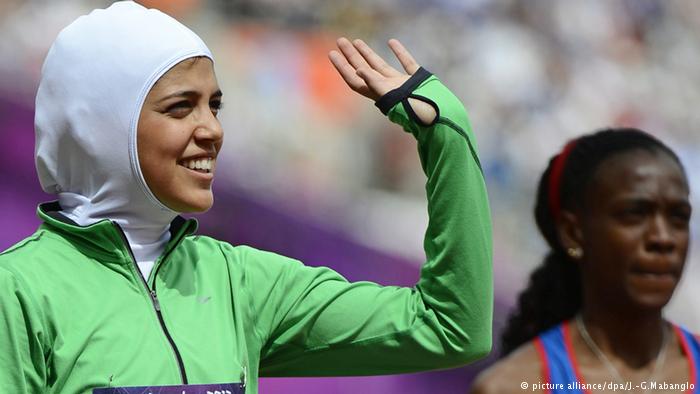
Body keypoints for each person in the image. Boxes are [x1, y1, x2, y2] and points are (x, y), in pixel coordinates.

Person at [0, 2, 493, 393]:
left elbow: (449, 328)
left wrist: (445, 135)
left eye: (214, 106)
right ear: (98, 127)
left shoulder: (242, 282)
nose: (212, 130)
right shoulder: (18, 292)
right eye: (180, 108)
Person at [471, 129, 698, 393]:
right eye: (634, 214)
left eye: (679, 217)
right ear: (572, 233)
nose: (663, 238)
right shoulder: (512, 386)